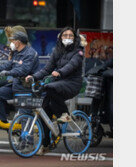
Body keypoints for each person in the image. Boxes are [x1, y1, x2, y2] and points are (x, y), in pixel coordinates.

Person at [25, 27, 85, 155]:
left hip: (72, 83)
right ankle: (45, 145)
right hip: (58, 83)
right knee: (44, 113)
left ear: (74, 38)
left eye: (70, 36)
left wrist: (60, 72)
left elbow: (71, 66)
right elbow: (47, 69)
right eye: (65, 35)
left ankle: (64, 114)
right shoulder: (57, 51)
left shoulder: (78, 52)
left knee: (50, 87)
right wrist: (33, 77)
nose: (67, 38)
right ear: (60, 37)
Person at [0, 26, 39, 126]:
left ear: (18, 41)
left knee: (24, 115)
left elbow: (23, 70)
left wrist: (7, 73)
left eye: (13, 40)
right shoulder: (16, 53)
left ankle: (27, 140)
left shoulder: (30, 53)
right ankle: (3, 122)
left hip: (26, 88)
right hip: (16, 85)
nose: (11, 42)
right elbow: (9, 64)